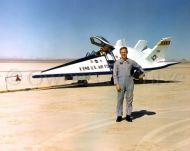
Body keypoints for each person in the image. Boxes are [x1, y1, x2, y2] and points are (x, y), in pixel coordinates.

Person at [113, 47, 144, 122]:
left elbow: (140, 67)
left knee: (129, 100)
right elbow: (114, 74)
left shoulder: (131, 62)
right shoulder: (117, 63)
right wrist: (116, 84)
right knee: (120, 100)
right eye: (122, 52)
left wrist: (141, 75)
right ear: (120, 53)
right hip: (120, 83)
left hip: (130, 82)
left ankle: (128, 115)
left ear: (127, 52)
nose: (124, 53)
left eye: (125, 52)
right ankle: (119, 115)